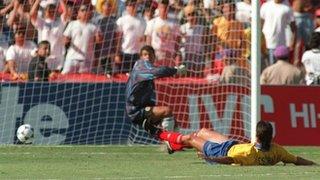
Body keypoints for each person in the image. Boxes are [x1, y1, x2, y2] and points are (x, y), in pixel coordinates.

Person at [160, 121, 316, 165]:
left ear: (257, 136)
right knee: (202, 132)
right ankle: (173, 146)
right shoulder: (277, 151)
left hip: (220, 151)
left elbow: (229, 160)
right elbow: (296, 160)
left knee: (191, 138)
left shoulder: (248, 153)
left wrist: (210, 158)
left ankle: (161, 134)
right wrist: (313, 164)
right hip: (233, 144)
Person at [125, 45, 186, 152]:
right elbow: (159, 72)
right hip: (136, 110)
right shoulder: (141, 66)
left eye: (149, 54)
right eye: (144, 54)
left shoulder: (146, 69)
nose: (147, 57)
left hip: (144, 107)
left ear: (154, 57)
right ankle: (169, 143)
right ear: (140, 57)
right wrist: (176, 70)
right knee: (167, 111)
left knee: (174, 122)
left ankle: (176, 144)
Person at [62, 3, 102, 74]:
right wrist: (66, 40)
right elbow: (65, 39)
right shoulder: (72, 24)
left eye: (87, 10)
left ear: (90, 13)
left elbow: (99, 43)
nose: (85, 12)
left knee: (85, 82)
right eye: (82, 10)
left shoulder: (94, 26)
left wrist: (99, 38)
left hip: (87, 60)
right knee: (64, 79)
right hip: (71, 58)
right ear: (78, 13)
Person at [30, 0, 68, 72]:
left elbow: (65, 12)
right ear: (45, 12)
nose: (51, 12)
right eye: (49, 10)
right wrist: (37, 1)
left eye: (53, 10)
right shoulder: (42, 22)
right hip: (44, 57)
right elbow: (32, 14)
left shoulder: (60, 22)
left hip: (57, 58)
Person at [114, 0, 146, 74]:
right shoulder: (121, 20)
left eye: (134, 5)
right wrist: (117, 54)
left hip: (138, 54)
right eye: (130, 5)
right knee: (123, 77)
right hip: (125, 53)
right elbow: (117, 38)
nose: (133, 7)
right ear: (126, 7)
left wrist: (143, 38)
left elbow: (145, 37)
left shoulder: (142, 21)